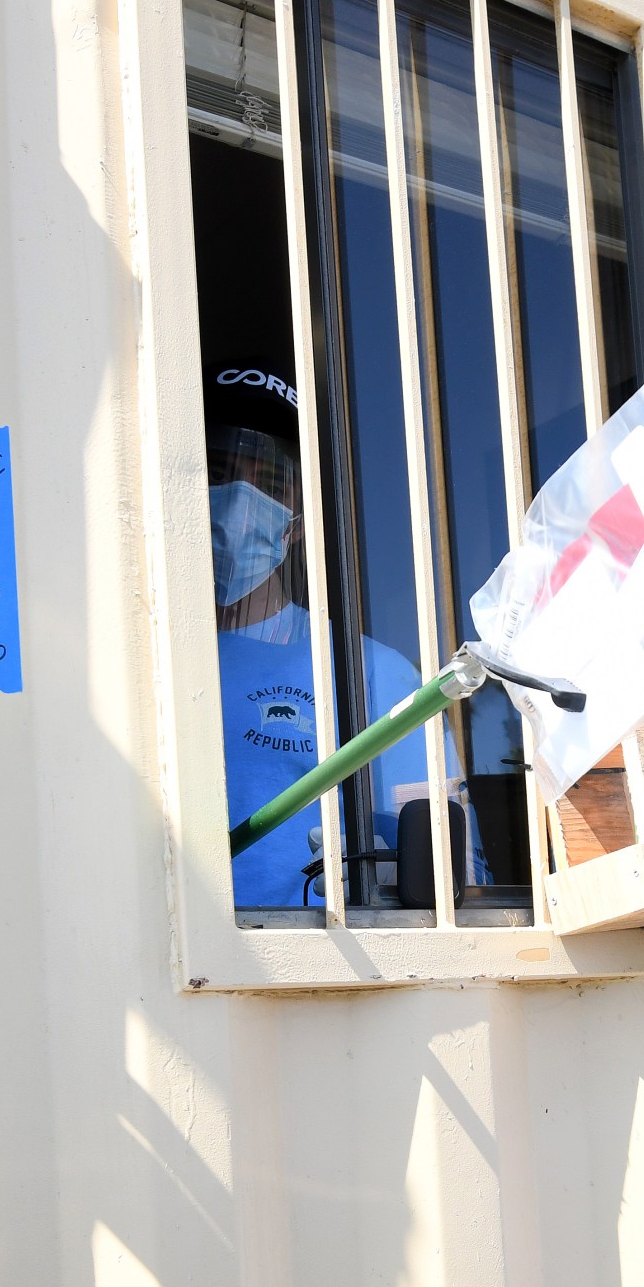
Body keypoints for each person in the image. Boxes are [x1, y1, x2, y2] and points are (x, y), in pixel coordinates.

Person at [206, 366, 451, 907]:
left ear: (294, 522)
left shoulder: (374, 675)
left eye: (269, 485)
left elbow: (448, 874)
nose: (242, 504)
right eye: (220, 471)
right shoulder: (122, 663)